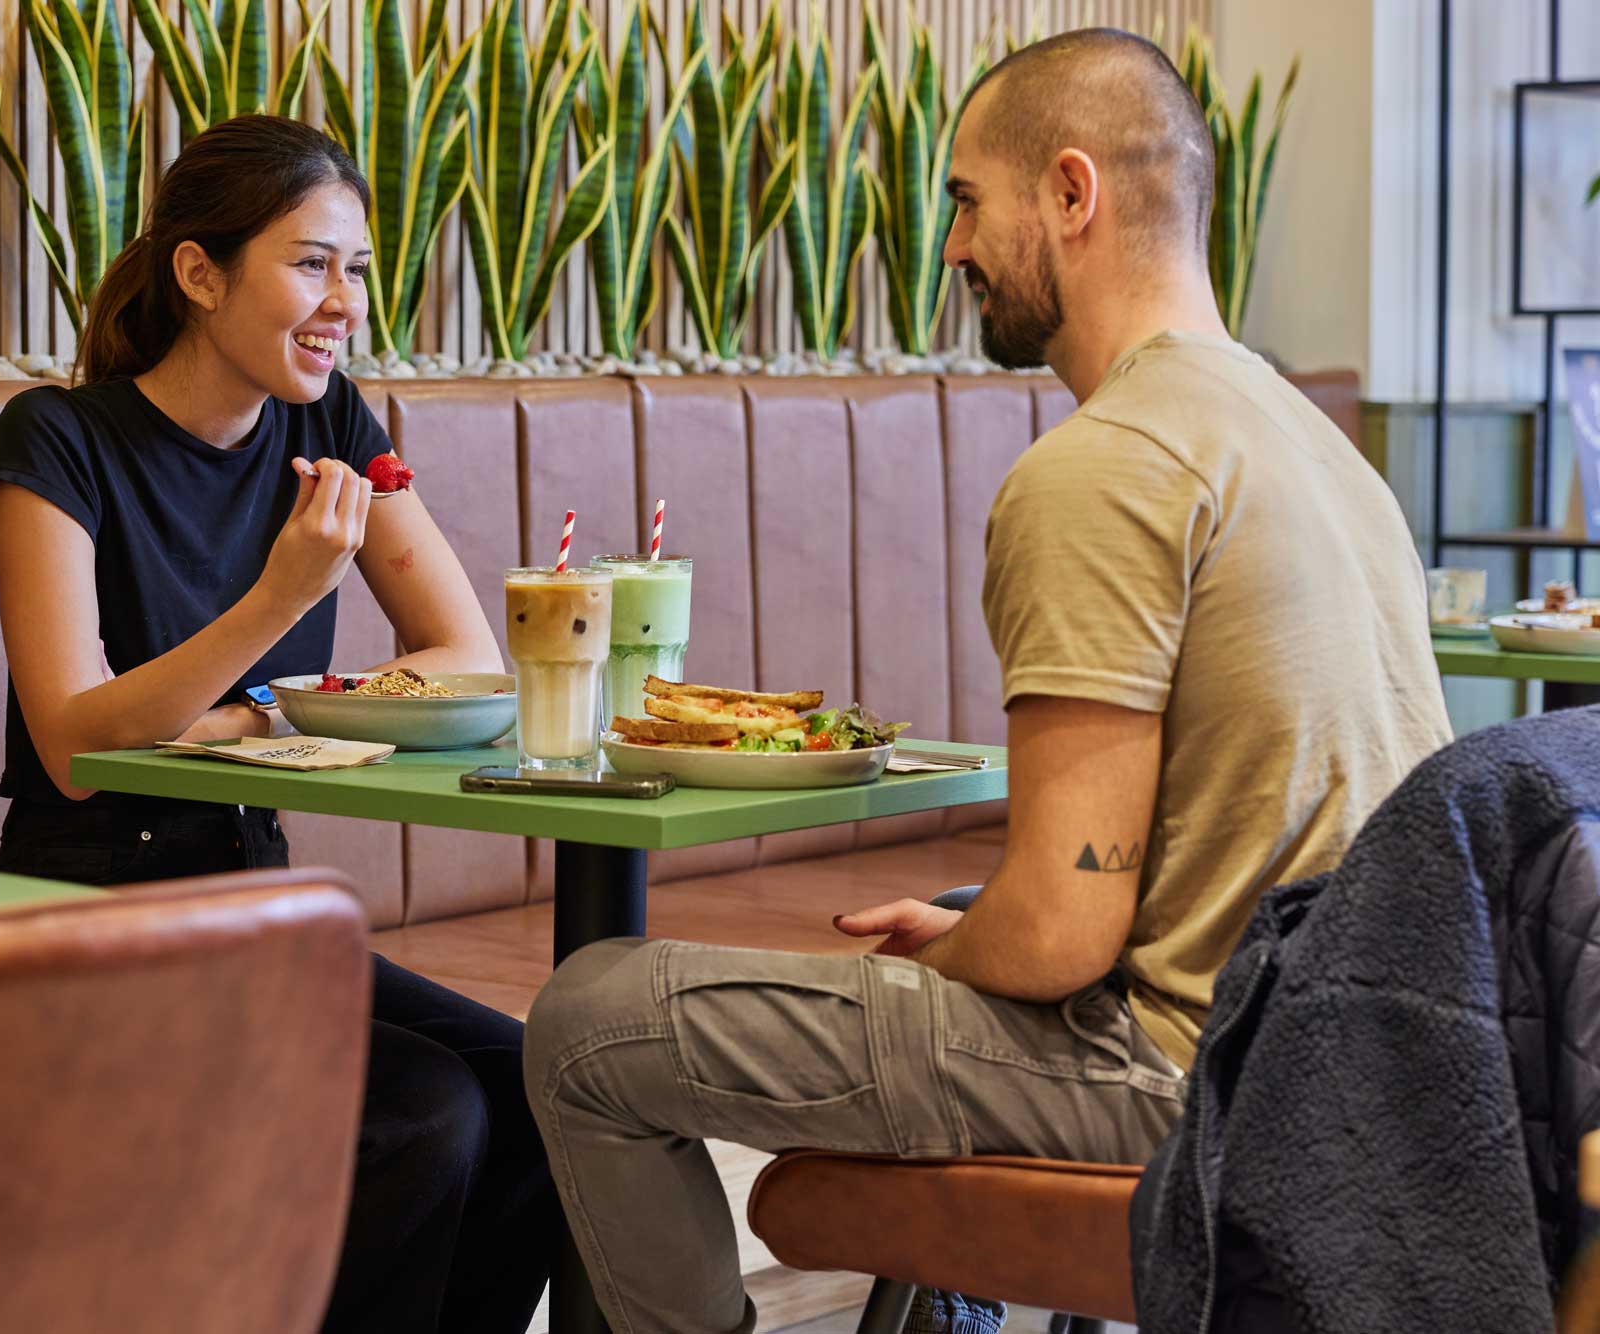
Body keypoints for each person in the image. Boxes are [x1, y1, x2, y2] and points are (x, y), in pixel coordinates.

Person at [521, 28, 1452, 1334]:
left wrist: (970, 946)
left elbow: (1063, 934)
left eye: (966, 200)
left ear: (1072, 194)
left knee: (589, 1017)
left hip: (1188, 1081)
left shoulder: (1105, 463)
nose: (950, 245)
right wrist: (969, 932)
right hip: (1353, 1066)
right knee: (959, 913)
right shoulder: (1317, 447)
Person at [0, 115, 554, 1334]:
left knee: (537, 1082)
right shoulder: (57, 439)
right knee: (423, 1113)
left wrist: (235, 719)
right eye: (308, 263)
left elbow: (462, 653)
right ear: (200, 273)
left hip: (262, 913)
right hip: (92, 924)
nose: (341, 300)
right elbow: (78, 747)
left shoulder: (335, 423)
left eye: (353, 268)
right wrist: (283, 599)